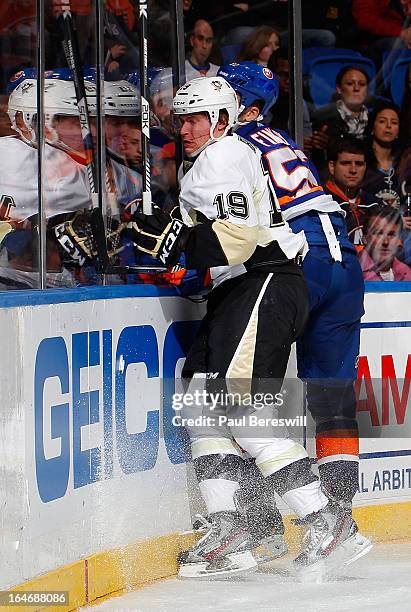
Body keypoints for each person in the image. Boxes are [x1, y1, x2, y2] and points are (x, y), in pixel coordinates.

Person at [124, 75, 371, 578]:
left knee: (240, 408)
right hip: (244, 287)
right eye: (181, 119)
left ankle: (326, 519)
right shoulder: (212, 160)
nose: (185, 128)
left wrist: (175, 242)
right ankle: (229, 525)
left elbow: (235, 240)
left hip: (266, 282)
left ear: (220, 119)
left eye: (196, 119)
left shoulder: (223, 154)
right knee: (201, 400)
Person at [217, 61, 372, 561]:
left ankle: (259, 521)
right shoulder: (279, 138)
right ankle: (339, 520)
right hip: (343, 265)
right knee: (332, 403)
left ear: (249, 107)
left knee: (245, 394)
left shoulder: (232, 146)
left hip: (297, 263)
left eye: (224, 94)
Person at [324, 137, 381, 249]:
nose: (353, 170)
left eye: (359, 164)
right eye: (346, 163)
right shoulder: (321, 203)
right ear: (332, 166)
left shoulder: (375, 204)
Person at [362, 101, 404, 208]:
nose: (388, 126)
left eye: (394, 122)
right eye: (382, 121)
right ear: (372, 126)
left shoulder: (404, 162)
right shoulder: (360, 161)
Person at [359, 205, 411, 279]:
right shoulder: (351, 272)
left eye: (391, 234)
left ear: (400, 240)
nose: (385, 242)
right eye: (378, 233)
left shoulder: (408, 274)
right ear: (365, 238)